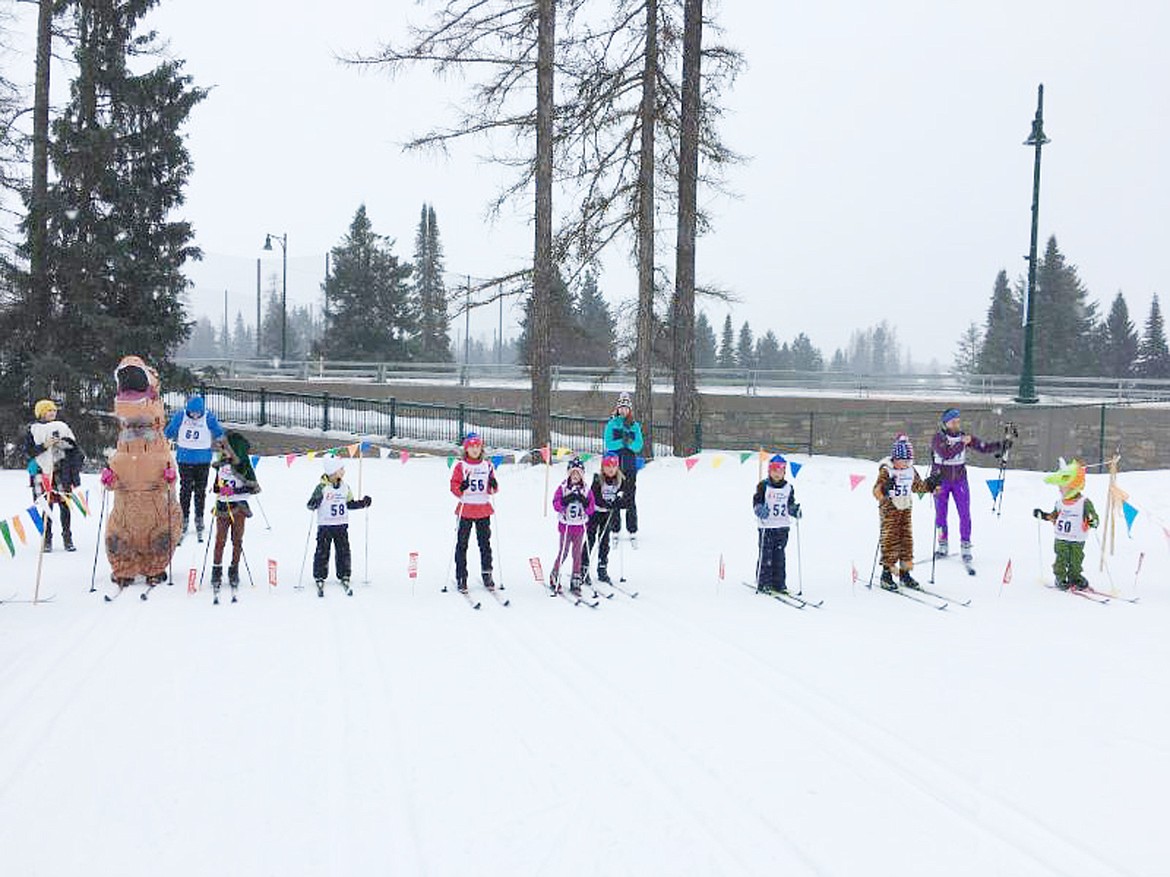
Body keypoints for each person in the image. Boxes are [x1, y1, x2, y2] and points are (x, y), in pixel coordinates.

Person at [929, 408, 1009, 563]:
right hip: (940, 480)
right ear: (945, 423)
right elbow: (946, 454)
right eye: (953, 422)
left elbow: (983, 447)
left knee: (965, 514)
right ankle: (942, 544)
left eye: (958, 421)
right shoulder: (938, 438)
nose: (956, 425)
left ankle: (966, 546)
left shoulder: (963, 437)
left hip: (959, 480)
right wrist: (961, 444)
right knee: (940, 515)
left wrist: (1001, 445)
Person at [873, 434, 939, 590]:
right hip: (890, 510)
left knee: (906, 541)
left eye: (910, 461)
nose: (907, 464)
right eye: (904, 461)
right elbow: (876, 492)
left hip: (905, 509)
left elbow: (918, 487)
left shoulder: (910, 471)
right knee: (890, 540)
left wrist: (930, 484)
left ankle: (905, 573)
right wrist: (884, 488)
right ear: (895, 459)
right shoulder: (886, 471)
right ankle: (887, 574)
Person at [307, 457, 372, 598]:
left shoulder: (345, 487)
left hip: (341, 526)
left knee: (344, 551)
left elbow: (349, 504)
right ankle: (319, 575)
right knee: (322, 551)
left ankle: (344, 574)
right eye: (341, 469)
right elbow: (310, 504)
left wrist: (363, 503)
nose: (343, 471)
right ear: (333, 471)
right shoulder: (322, 487)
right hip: (325, 526)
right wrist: (314, 502)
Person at [25, 399, 84, 552]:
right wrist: (45, 445)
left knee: (65, 505)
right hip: (42, 473)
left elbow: (75, 449)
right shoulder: (34, 429)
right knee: (46, 506)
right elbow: (30, 451)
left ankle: (67, 538)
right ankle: (47, 540)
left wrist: (63, 444)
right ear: (41, 413)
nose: (52, 413)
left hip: (62, 472)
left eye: (53, 410)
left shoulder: (62, 427)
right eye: (48, 410)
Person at [164, 394, 225, 542]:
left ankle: (199, 517)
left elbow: (219, 432)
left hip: (203, 460)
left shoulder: (208, 417)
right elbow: (170, 431)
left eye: (198, 413)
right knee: (185, 490)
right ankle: (184, 518)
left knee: (200, 490)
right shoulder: (181, 416)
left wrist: (224, 444)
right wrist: (165, 437)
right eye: (192, 413)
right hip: (184, 459)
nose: (195, 416)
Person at [1033, 458, 1100, 590]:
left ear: (1073, 486)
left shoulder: (1084, 502)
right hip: (1061, 538)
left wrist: (1093, 520)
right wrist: (1044, 515)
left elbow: (1093, 516)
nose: (1059, 489)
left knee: (1076, 559)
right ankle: (1061, 577)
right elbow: (1054, 517)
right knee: (1061, 559)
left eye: (1062, 487)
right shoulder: (1060, 503)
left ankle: (1075, 576)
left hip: (1077, 539)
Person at [209, 431, 260, 598]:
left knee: (237, 539)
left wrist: (235, 490)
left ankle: (234, 569)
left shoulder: (243, 466)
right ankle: (216, 569)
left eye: (227, 450)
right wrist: (221, 490)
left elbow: (252, 488)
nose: (224, 453)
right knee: (220, 540)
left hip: (239, 507)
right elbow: (216, 488)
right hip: (223, 506)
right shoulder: (221, 466)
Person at [449, 432, 499, 594]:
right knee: (462, 544)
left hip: (483, 508)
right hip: (466, 509)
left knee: (485, 544)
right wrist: (461, 488)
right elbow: (454, 486)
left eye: (478, 446)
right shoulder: (461, 466)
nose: (475, 449)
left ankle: (487, 573)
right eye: (472, 446)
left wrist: (493, 484)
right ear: (466, 449)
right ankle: (461, 576)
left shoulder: (487, 465)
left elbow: (493, 489)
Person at [752, 454, 801, 593]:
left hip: (782, 527)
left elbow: (789, 504)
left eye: (780, 471)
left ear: (784, 472)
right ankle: (764, 582)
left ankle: (779, 583)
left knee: (779, 556)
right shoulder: (763, 486)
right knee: (766, 556)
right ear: (769, 471)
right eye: (774, 471)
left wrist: (794, 510)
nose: (777, 474)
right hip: (767, 527)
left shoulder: (788, 488)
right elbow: (756, 502)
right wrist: (759, 509)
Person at [551, 456, 596, 595]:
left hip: (579, 526)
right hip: (566, 526)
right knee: (563, 552)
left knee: (577, 554)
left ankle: (576, 576)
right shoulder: (563, 488)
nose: (575, 476)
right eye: (573, 473)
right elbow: (556, 504)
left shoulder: (586, 490)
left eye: (578, 473)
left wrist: (584, 502)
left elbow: (591, 508)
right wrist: (565, 501)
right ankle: (555, 573)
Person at [603, 391, 644, 543]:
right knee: (613, 496)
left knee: (630, 496)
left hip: (630, 465)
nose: (623, 411)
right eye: (621, 408)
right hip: (614, 466)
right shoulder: (612, 424)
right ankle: (615, 528)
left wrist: (630, 444)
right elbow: (609, 443)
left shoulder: (634, 426)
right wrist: (622, 442)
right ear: (618, 409)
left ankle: (632, 528)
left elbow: (638, 445)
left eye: (626, 408)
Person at [584, 451, 624, 585]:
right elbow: (595, 497)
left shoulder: (620, 480)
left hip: (608, 515)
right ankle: (583, 566)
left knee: (604, 541)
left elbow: (625, 496)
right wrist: (608, 503)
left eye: (613, 467)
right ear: (603, 467)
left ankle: (602, 567)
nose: (611, 469)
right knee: (590, 539)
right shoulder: (597, 479)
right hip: (595, 513)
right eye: (608, 466)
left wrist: (619, 501)